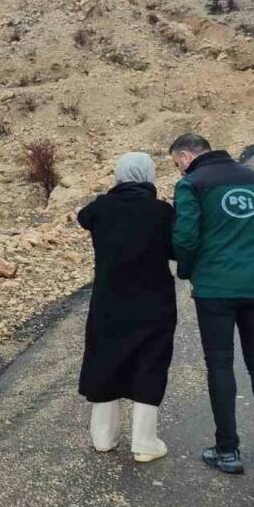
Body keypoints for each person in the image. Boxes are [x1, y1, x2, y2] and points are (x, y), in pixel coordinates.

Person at [169, 133, 254, 474]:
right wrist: (253, 263)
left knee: (220, 365)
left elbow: (184, 237)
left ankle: (227, 452)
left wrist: (190, 270)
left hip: (214, 290)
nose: (178, 169)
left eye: (175, 162)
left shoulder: (191, 184)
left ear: (184, 156)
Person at [77, 152, 176, 462]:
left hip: (109, 300)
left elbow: (83, 217)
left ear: (119, 176)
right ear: (149, 176)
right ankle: (144, 443)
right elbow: (176, 248)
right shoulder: (162, 212)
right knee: (151, 363)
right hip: (153, 301)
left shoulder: (101, 209)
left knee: (105, 360)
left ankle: (103, 437)